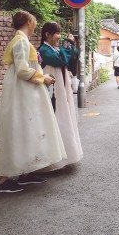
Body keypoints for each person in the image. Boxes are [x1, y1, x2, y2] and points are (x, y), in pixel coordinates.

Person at [0, 11, 66, 193]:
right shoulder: (21, 41)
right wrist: (43, 78)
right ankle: (3, 181)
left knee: (26, 128)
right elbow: (22, 70)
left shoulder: (21, 40)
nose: (35, 25)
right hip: (21, 91)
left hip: (23, 90)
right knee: (19, 128)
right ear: (28, 21)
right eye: (33, 21)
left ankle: (24, 172)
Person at [38, 22, 83, 171]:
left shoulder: (54, 48)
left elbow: (70, 61)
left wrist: (72, 48)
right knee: (57, 120)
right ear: (47, 35)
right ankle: (55, 160)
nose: (59, 36)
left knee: (63, 119)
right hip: (54, 92)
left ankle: (65, 157)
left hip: (61, 91)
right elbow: (61, 60)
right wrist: (68, 44)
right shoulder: (44, 50)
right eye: (57, 33)